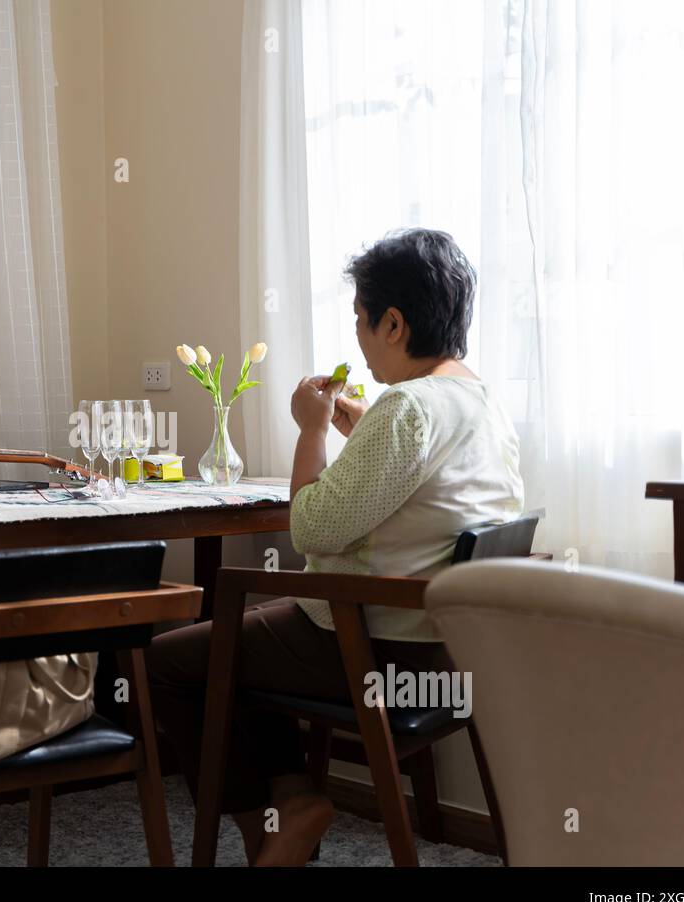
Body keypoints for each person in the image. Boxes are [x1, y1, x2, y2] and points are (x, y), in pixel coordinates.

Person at [145, 229, 524, 866]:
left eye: (360, 318)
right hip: (452, 659)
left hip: (373, 652)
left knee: (173, 660)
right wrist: (355, 433)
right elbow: (417, 506)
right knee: (248, 634)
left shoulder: (407, 406)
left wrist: (312, 431)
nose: (357, 334)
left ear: (394, 323)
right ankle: (292, 801)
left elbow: (312, 528)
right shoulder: (482, 403)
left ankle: (265, 824)